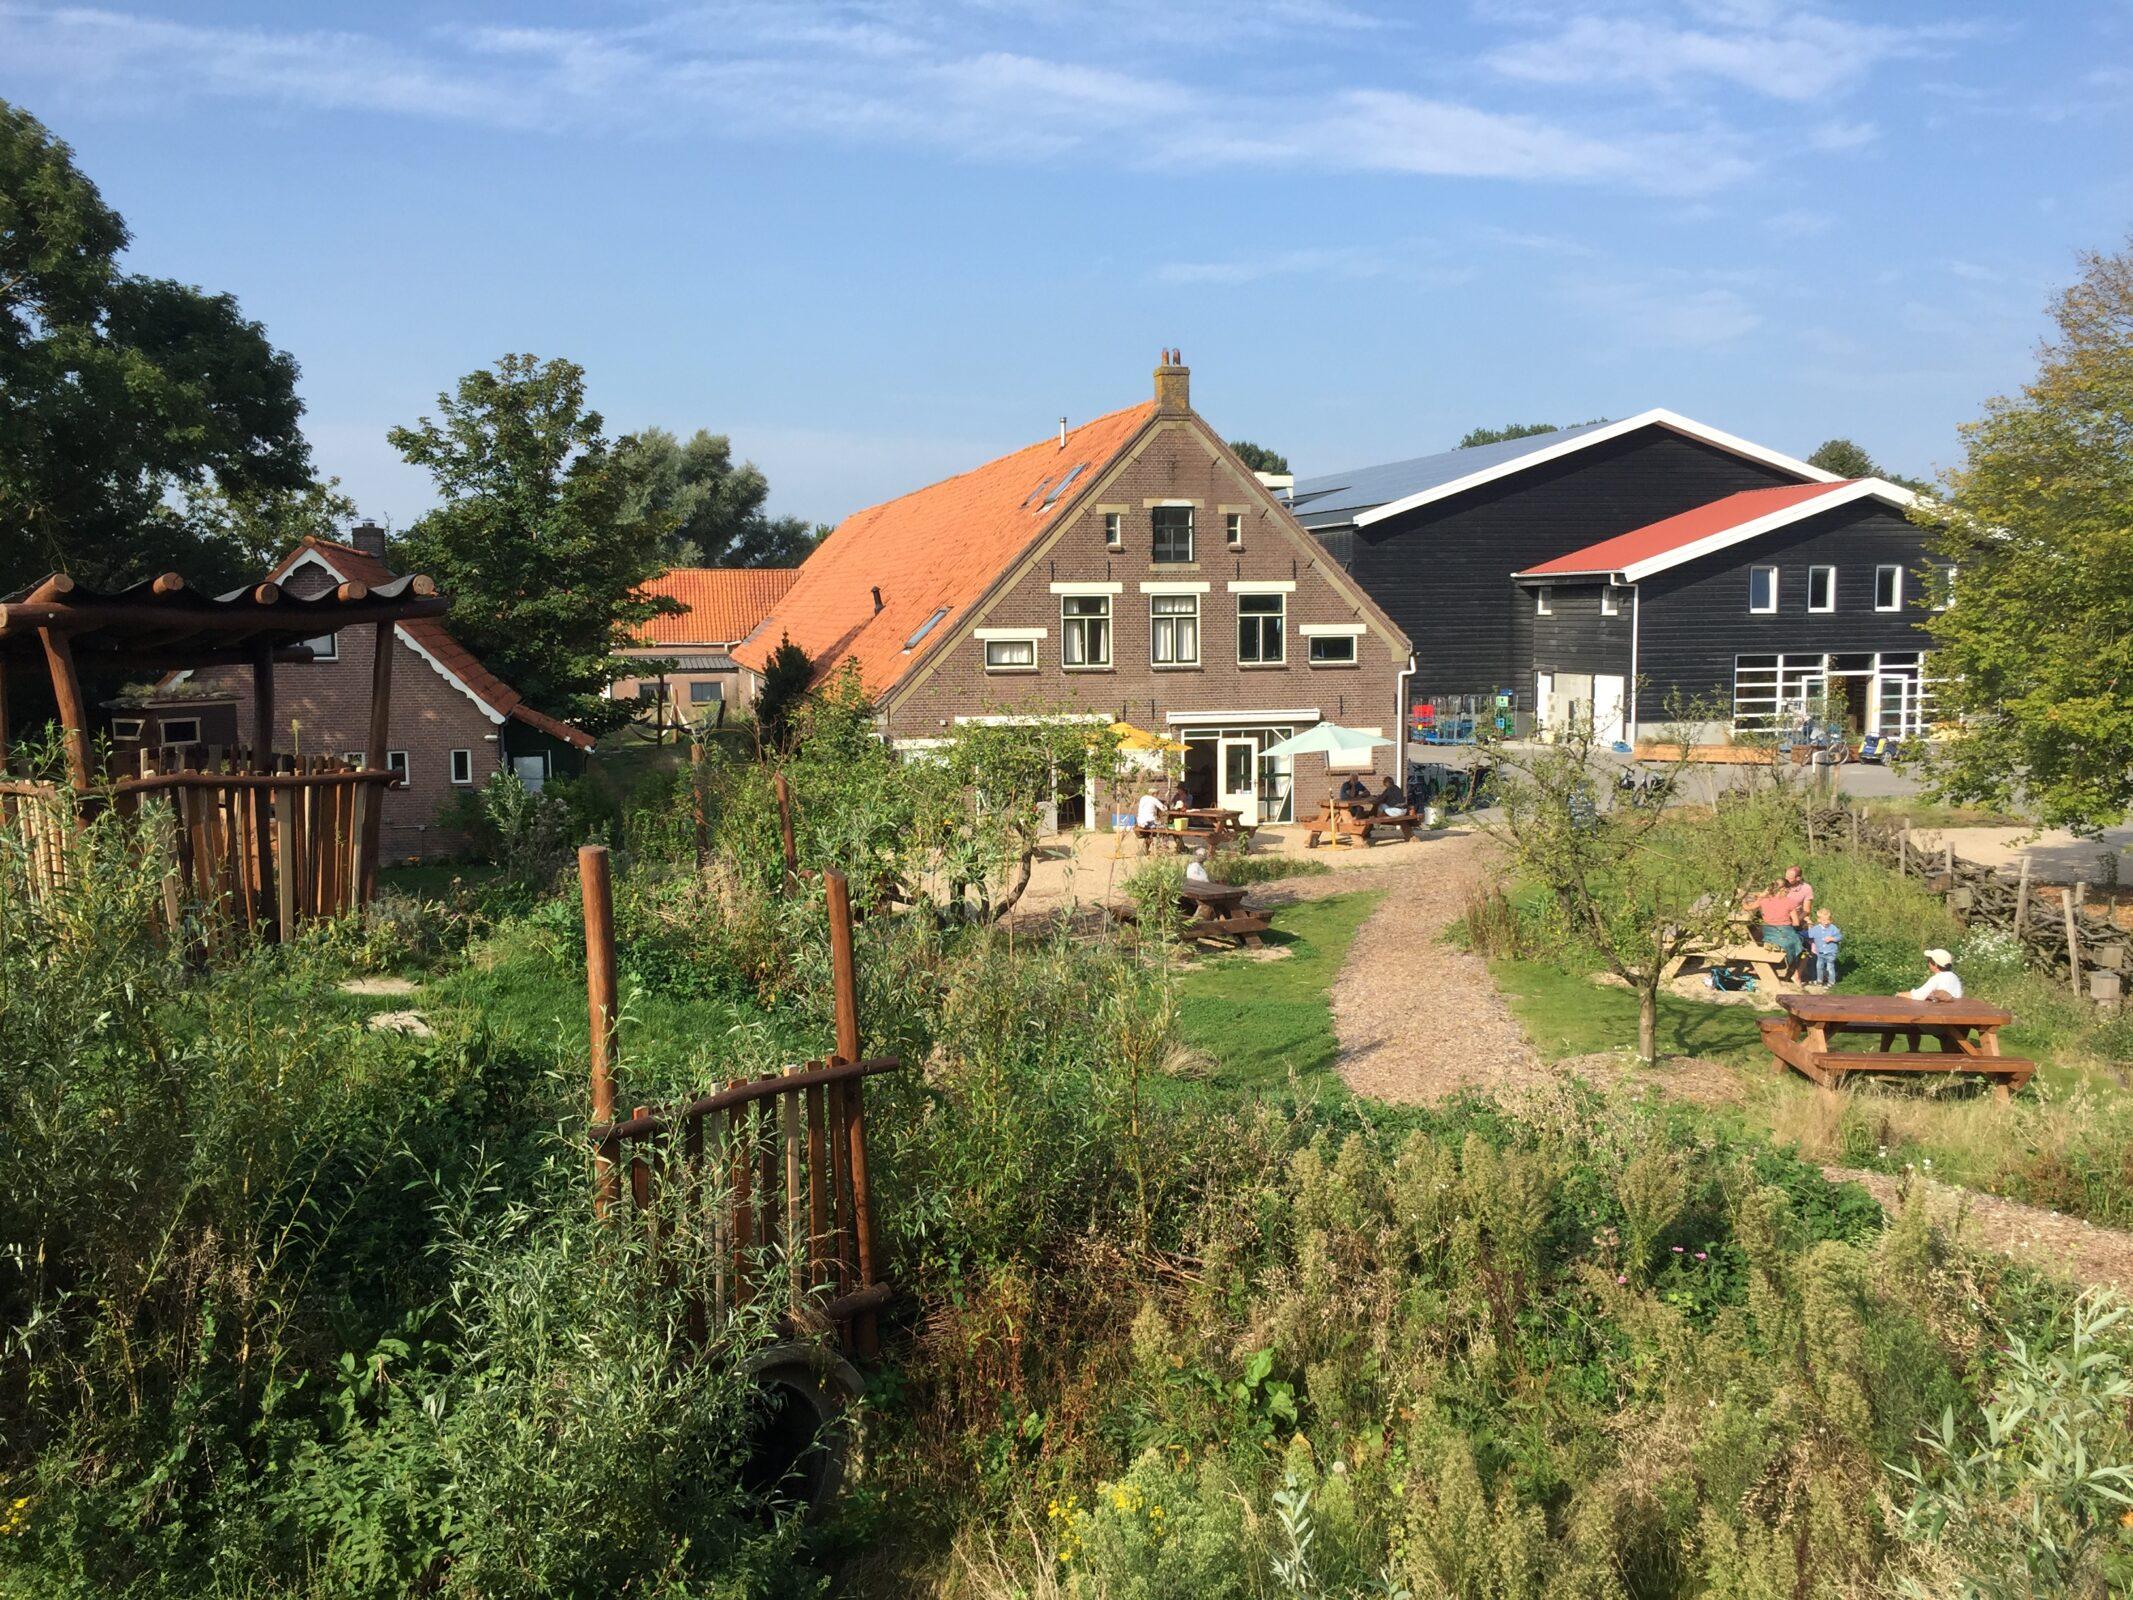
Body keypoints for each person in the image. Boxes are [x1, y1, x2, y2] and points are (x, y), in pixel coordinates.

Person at [1751, 879, 1804, 978]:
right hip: (1784, 935)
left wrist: (1760, 896)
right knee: (1802, 943)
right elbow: (1796, 923)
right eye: (1788, 889)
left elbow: (1747, 907)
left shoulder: (1763, 900)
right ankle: (1794, 972)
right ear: (1784, 889)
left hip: (1769, 935)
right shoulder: (1790, 902)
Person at [1806, 907, 1843, 988]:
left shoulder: (1833, 928)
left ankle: (1831, 982)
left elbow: (1839, 937)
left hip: (1831, 951)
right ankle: (1820, 981)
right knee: (1819, 966)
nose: (1826, 922)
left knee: (1830, 967)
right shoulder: (1816, 928)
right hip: (1820, 952)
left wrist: (1832, 938)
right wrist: (1809, 925)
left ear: (1830, 920)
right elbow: (1810, 934)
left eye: (1828, 920)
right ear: (1819, 920)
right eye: (1824, 920)